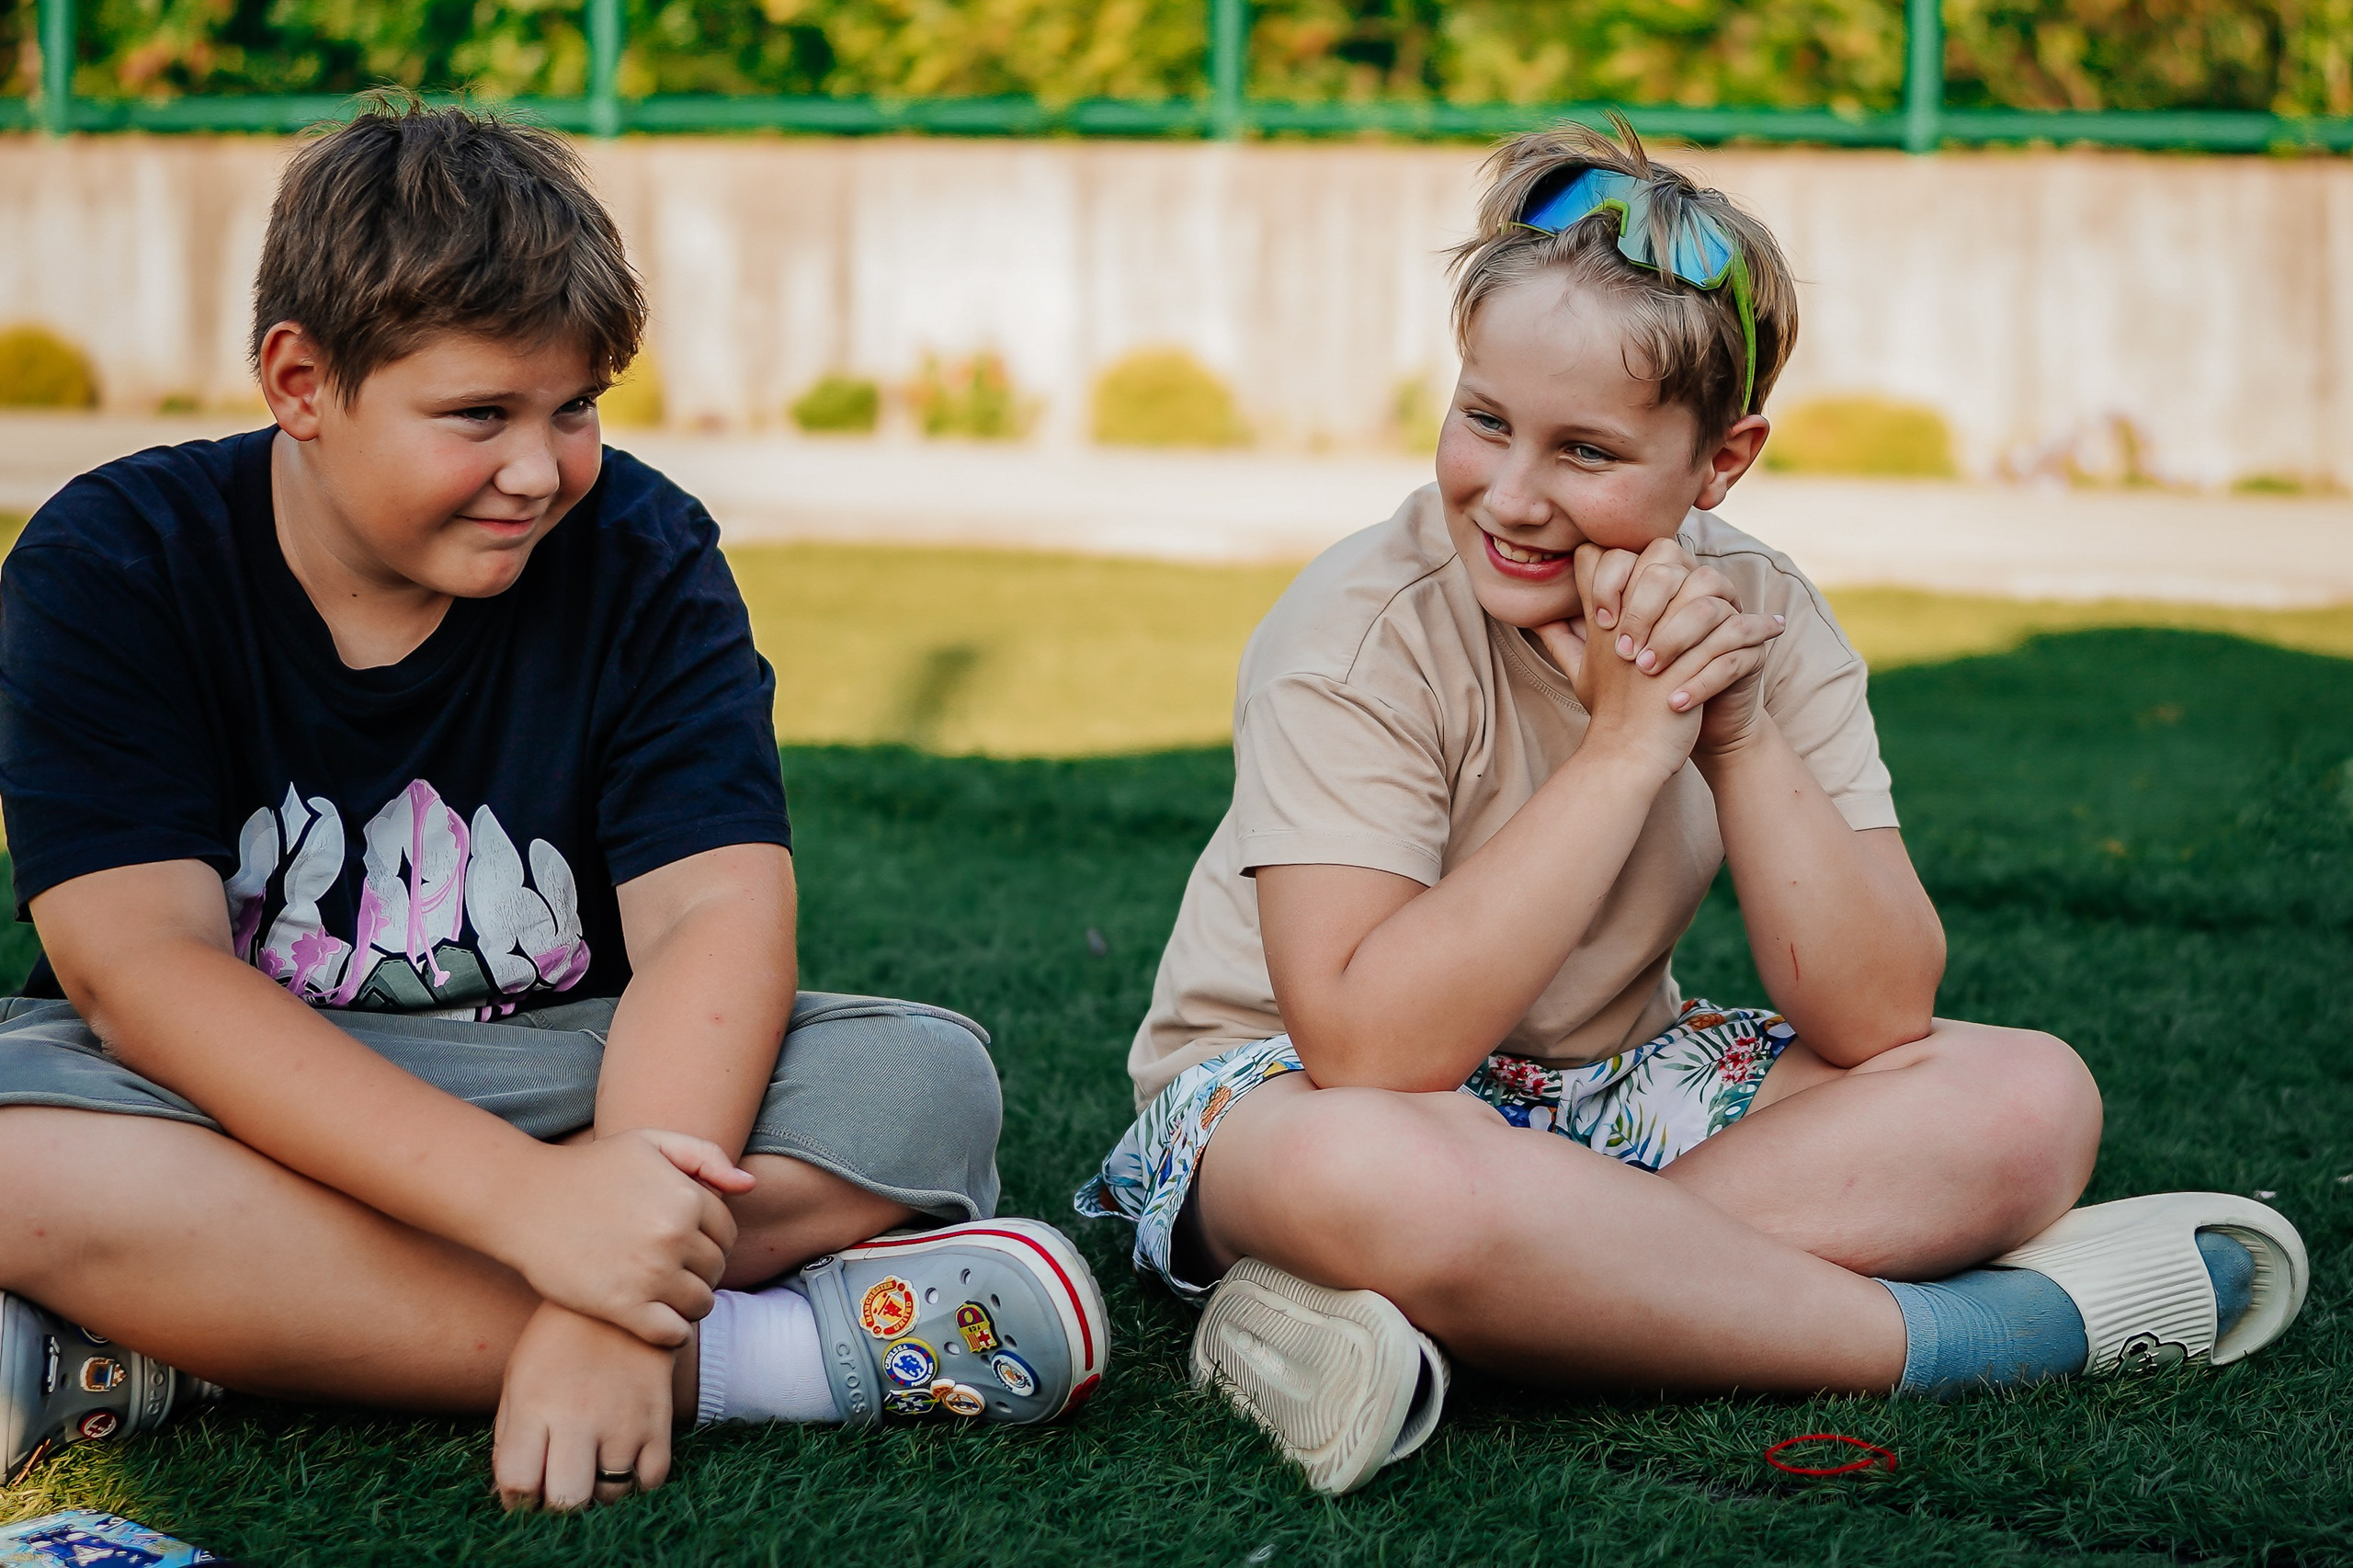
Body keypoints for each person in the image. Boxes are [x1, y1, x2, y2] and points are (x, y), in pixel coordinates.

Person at [1076, 119, 2304, 1496]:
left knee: (2027, 1100)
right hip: (1294, 1093)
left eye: (1586, 451)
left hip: (1609, 1086)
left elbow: (1879, 1014)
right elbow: (1366, 1043)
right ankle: (1943, 1339)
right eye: (1484, 419)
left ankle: (1482, 1307)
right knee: (1400, 1175)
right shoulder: (1361, 627)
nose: (1514, 493)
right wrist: (1620, 749)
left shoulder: (1764, 612)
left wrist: (1735, 727)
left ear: (1721, 462)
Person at [0, 96, 1106, 1511]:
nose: (538, 469)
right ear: (300, 381)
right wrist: (548, 1223)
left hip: (571, 1081)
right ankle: (775, 1356)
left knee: (920, 1087)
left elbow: (716, 913)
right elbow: (140, 970)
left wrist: (606, 1255)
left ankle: (182, 1334)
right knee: (21, 1142)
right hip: (223, 1089)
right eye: (479, 415)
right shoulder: (117, 559)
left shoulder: (641, 551)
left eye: (573, 408)